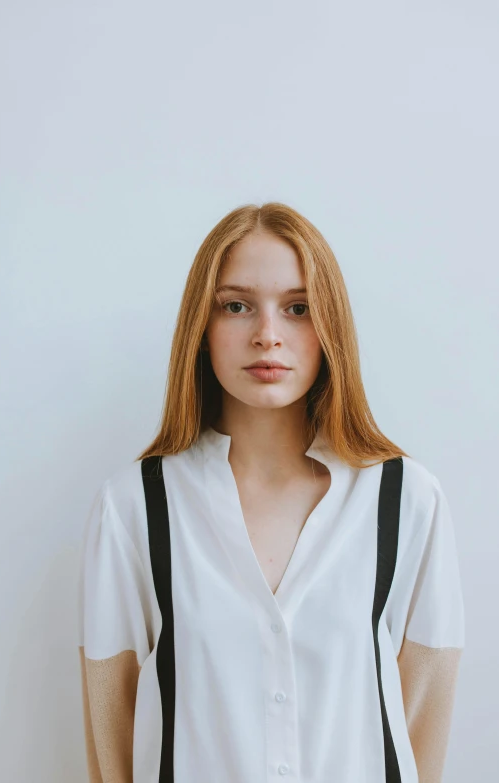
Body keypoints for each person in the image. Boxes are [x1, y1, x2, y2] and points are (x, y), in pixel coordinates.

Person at [77, 202, 465, 783]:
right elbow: (114, 736)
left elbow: (420, 727)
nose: (267, 335)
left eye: (298, 308)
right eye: (236, 306)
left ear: (330, 323)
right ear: (201, 329)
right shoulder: (135, 508)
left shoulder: (406, 501)